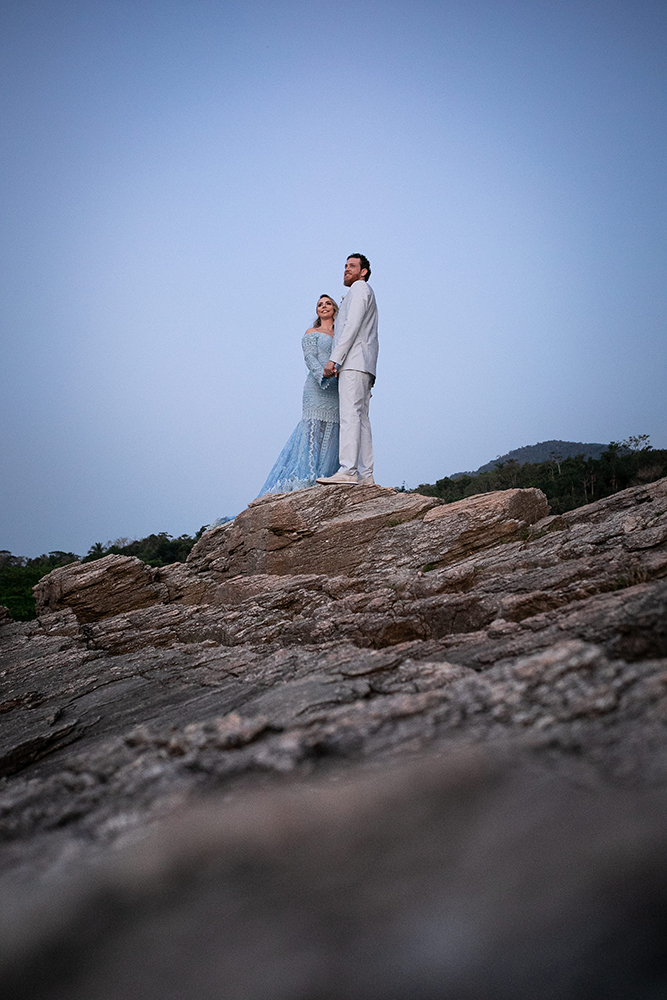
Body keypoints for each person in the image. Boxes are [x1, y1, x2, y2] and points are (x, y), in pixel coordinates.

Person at [258, 295, 340, 496]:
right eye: (320, 304)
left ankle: (327, 475)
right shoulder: (311, 332)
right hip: (316, 387)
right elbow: (309, 357)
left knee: (334, 432)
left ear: (335, 308)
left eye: (328, 303)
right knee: (313, 430)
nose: (323, 307)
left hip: (337, 390)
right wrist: (324, 374)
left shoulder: (341, 334)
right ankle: (307, 478)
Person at [317, 253, 378, 486]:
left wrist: (334, 359)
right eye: (345, 266)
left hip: (353, 362)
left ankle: (348, 470)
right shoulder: (363, 291)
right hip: (364, 364)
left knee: (350, 415)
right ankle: (366, 475)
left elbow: (351, 326)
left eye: (351, 266)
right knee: (361, 418)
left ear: (363, 271)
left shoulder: (360, 289)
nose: (346, 269)